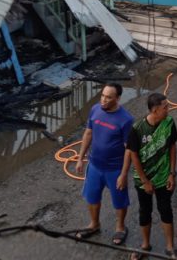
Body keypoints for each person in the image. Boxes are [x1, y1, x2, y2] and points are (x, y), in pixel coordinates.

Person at [74, 83, 134, 244]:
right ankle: (94, 225)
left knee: (119, 201)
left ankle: (120, 228)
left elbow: (129, 149)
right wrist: (80, 158)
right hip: (94, 165)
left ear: (117, 98)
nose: (104, 100)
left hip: (115, 169)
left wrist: (123, 174)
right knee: (92, 197)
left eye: (108, 97)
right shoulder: (95, 110)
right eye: (102, 96)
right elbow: (88, 133)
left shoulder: (126, 120)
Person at [127, 93, 177, 260]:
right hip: (144, 180)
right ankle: (145, 245)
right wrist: (145, 181)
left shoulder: (169, 123)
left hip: (164, 177)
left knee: (165, 210)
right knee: (145, 211)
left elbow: (172, 147)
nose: (168, 109)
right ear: (155, 110)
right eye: (165, 107)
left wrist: (172, 174)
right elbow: (133, 156)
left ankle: (170, 247)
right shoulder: (137, 129)